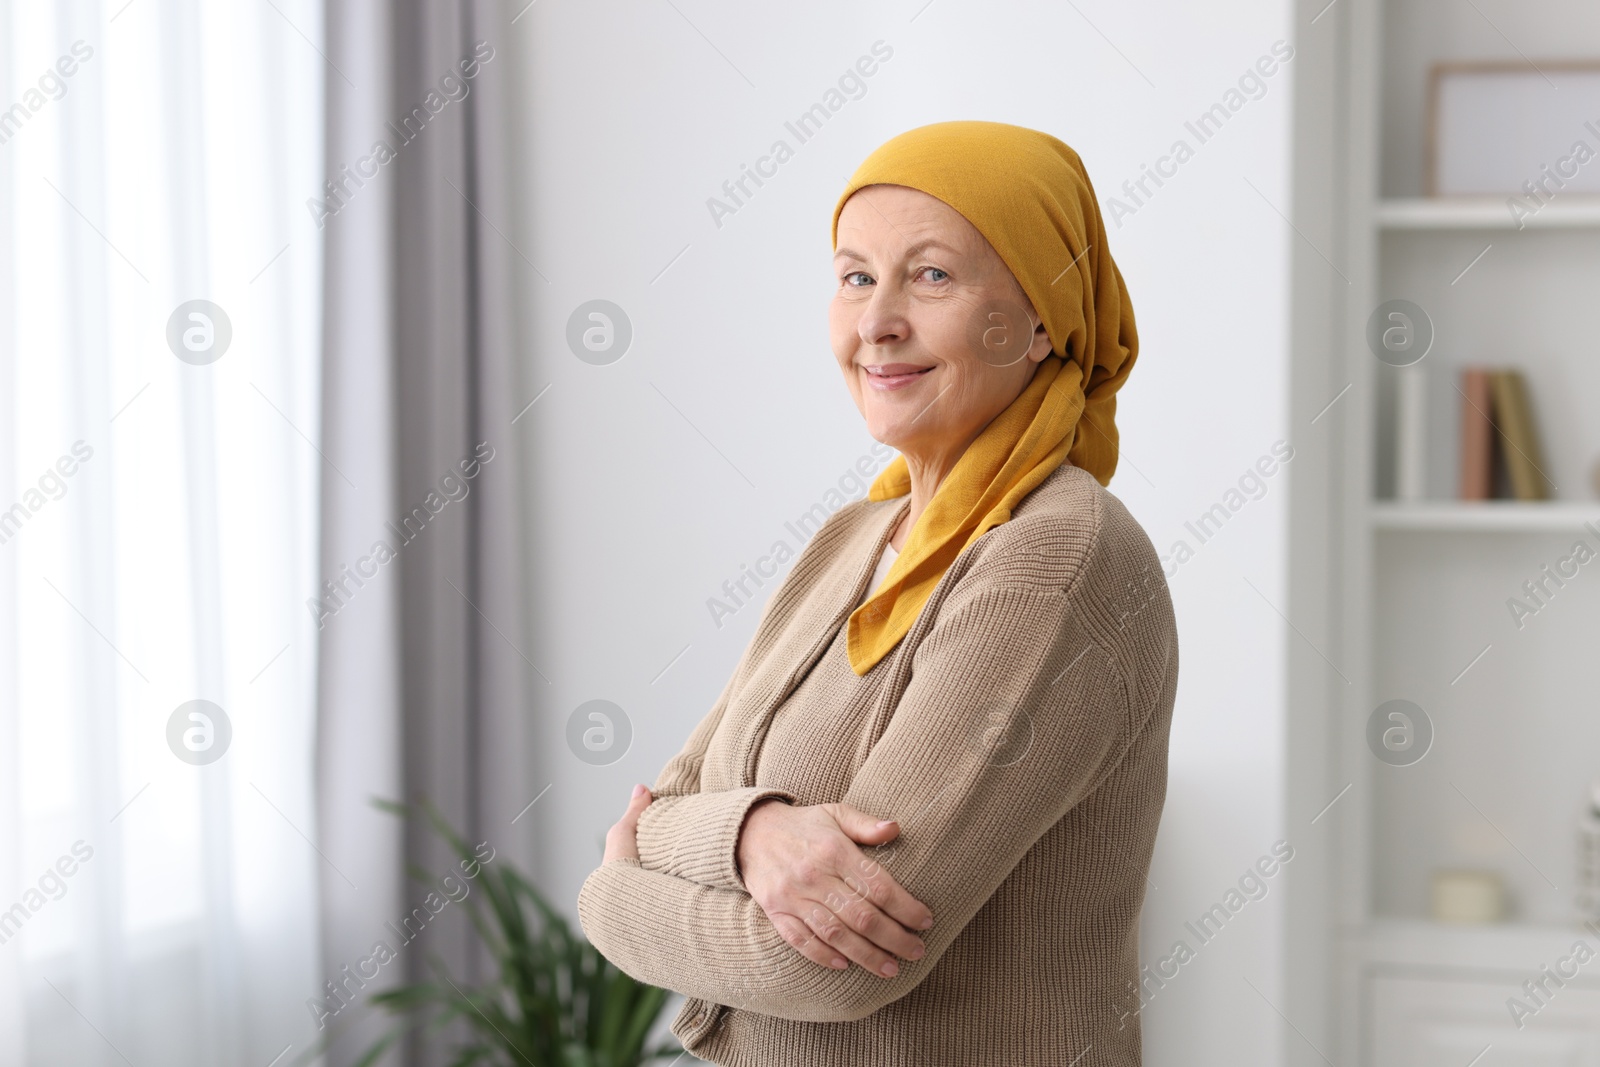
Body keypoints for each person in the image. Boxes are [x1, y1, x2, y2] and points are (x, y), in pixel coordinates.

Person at [577, 119, 1179, 1066]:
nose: (875, 322)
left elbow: (836, 967)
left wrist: (609, 898)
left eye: (931, 275)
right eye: (855, 275)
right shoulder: (852, 540)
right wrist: (750, 835)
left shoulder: (1052, 562)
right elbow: (675, 797)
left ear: (1041, 317)